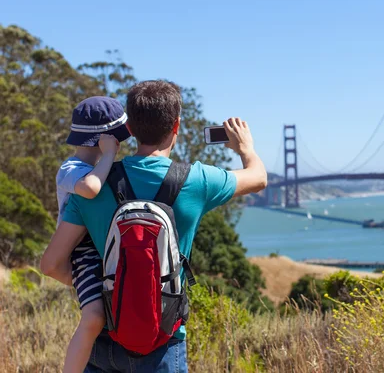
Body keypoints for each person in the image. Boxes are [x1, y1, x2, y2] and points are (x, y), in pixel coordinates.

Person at [41, 80, 267, 372]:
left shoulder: (93, 186)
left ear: (131, 129)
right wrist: (245, 147)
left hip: (103, 340)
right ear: (176, 126)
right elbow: (258, 177)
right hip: (163, 344)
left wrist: (94, 287)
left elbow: (50, 264)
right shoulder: (196, 180)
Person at [55, 96, 131, 373]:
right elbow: (90, 189)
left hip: (102, 248)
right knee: (94, 317)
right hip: (83, 253)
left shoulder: (99, 168)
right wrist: (109, 154)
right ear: (104, 140)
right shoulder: (71, 169)